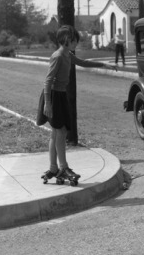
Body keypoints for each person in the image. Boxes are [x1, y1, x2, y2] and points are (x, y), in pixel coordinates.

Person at [37, 25, 116, 183]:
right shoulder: (58, 56)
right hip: (53, 96)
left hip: (60, 95)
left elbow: (83, 62)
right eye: (73, 40)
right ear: (64, 40)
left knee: (56, 132)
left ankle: (54, 168)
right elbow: (48, 80)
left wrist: (104, 65)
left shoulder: (68, 54)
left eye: (75, 40)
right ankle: (63, 168)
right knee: (61, 131)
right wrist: (48, 103)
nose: (75, 43)